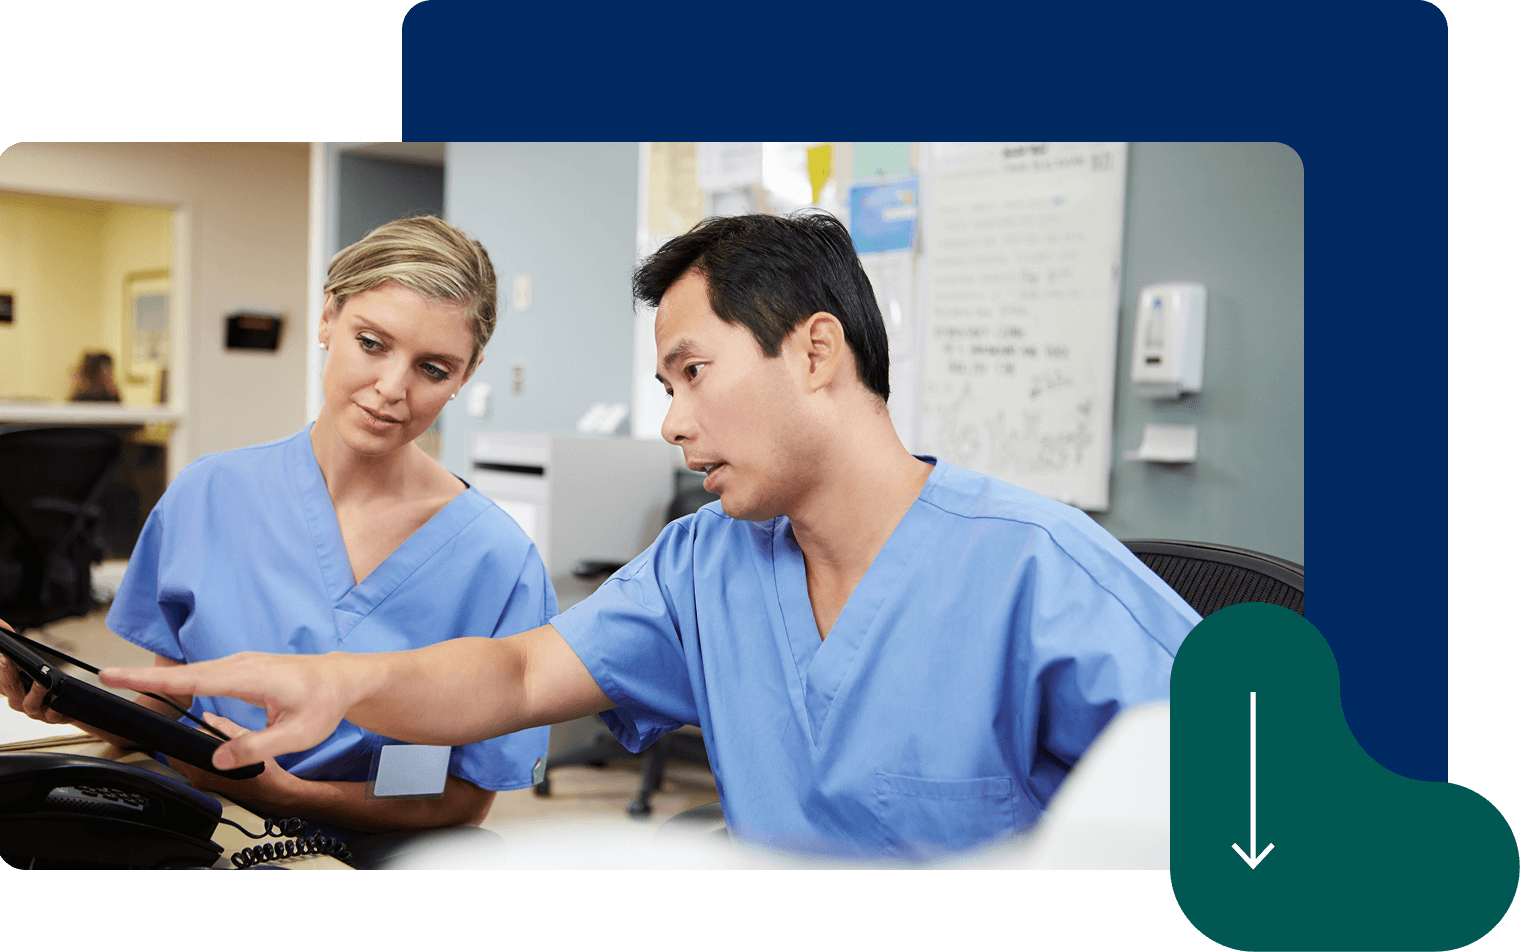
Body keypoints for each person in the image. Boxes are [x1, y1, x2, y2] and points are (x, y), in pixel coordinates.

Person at [93, 212, 1200, 861]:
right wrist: (341, 682)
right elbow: (519, 669)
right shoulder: (706, 562)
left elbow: (1262, 811)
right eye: (663, 383)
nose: (671, 421)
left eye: (691, 373)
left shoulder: (1031, 569)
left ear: (814, 352)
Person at [2, 216, 554, 834]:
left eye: (433, 369)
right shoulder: (209, 494)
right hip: (202, 823)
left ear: (467, 374)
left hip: (378, 848)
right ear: (326, 319)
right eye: (372, 343)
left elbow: (464, 799)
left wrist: (290, 796)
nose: (391, 388)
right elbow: (174, 706)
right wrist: (67, 706)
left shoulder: (498, 562)